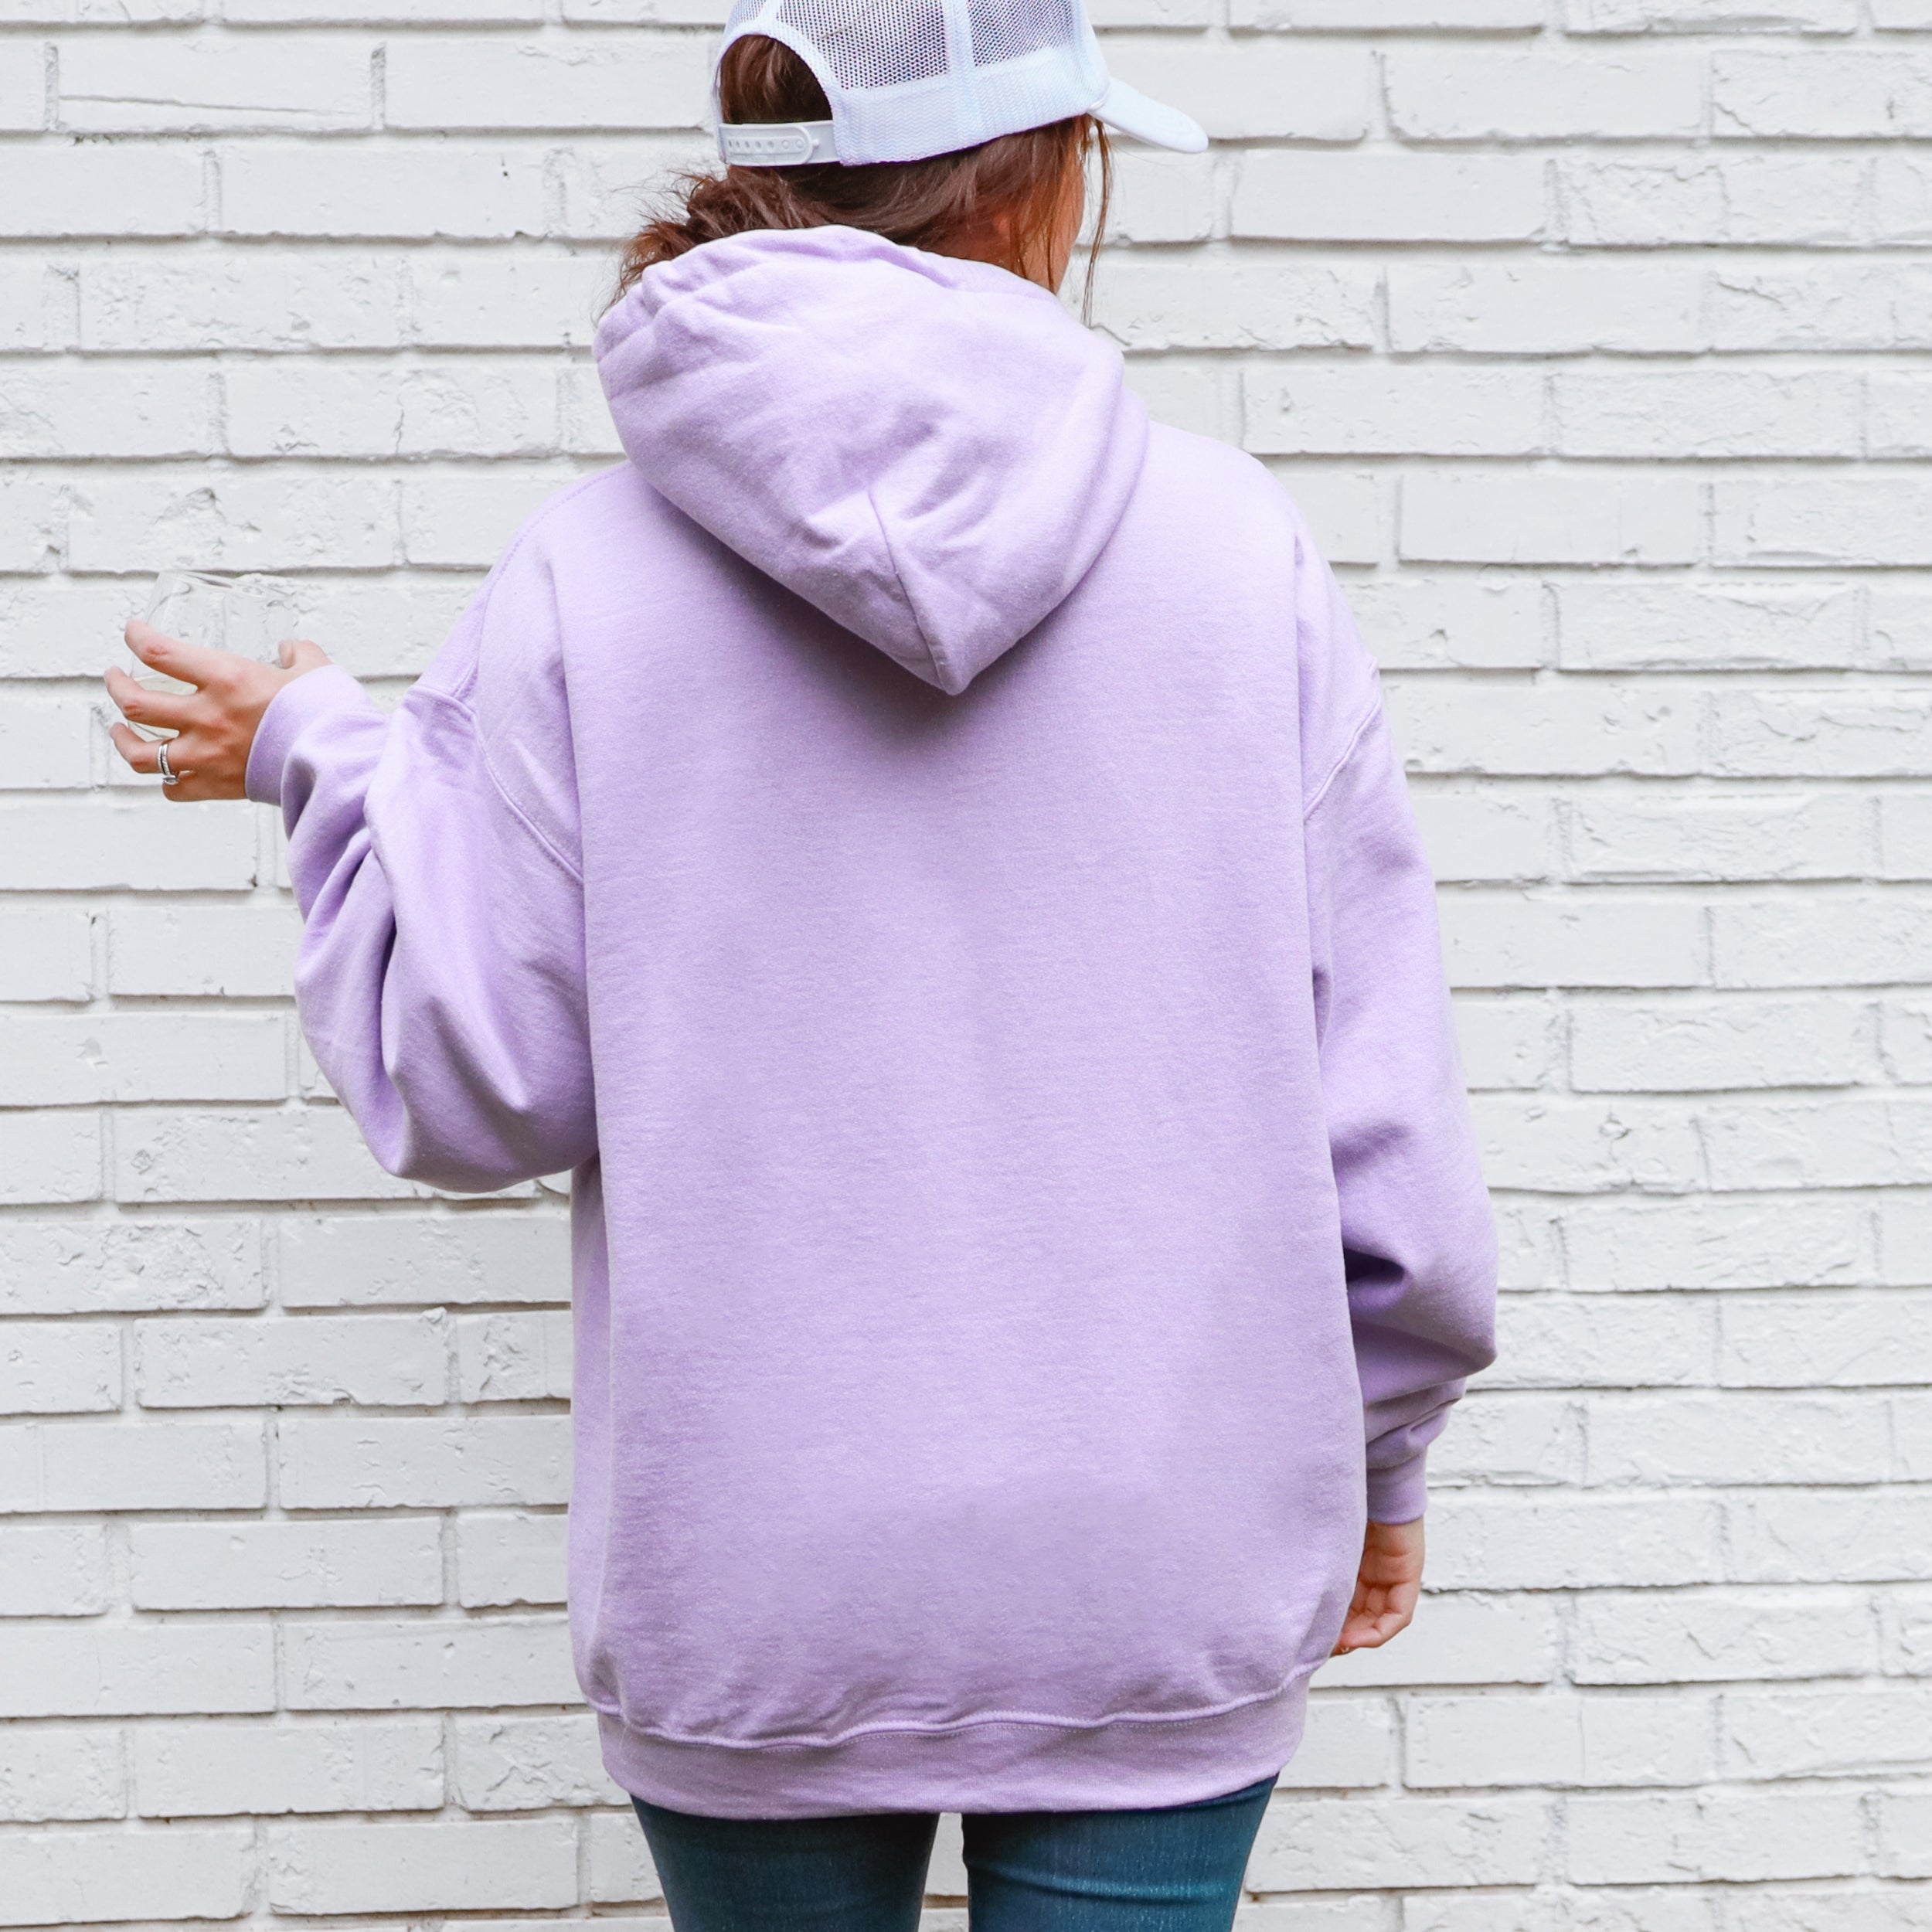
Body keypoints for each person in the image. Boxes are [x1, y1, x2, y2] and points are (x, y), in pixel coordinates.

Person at [104, 2, 1498, 1923]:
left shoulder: (586, 573)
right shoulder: (1235, 555)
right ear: (1043, 181)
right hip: (1154, 1559)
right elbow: (1386, 1145)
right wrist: (1387, 1458)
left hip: (758, 1574)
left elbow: (478, 1075)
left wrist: (326, 754)